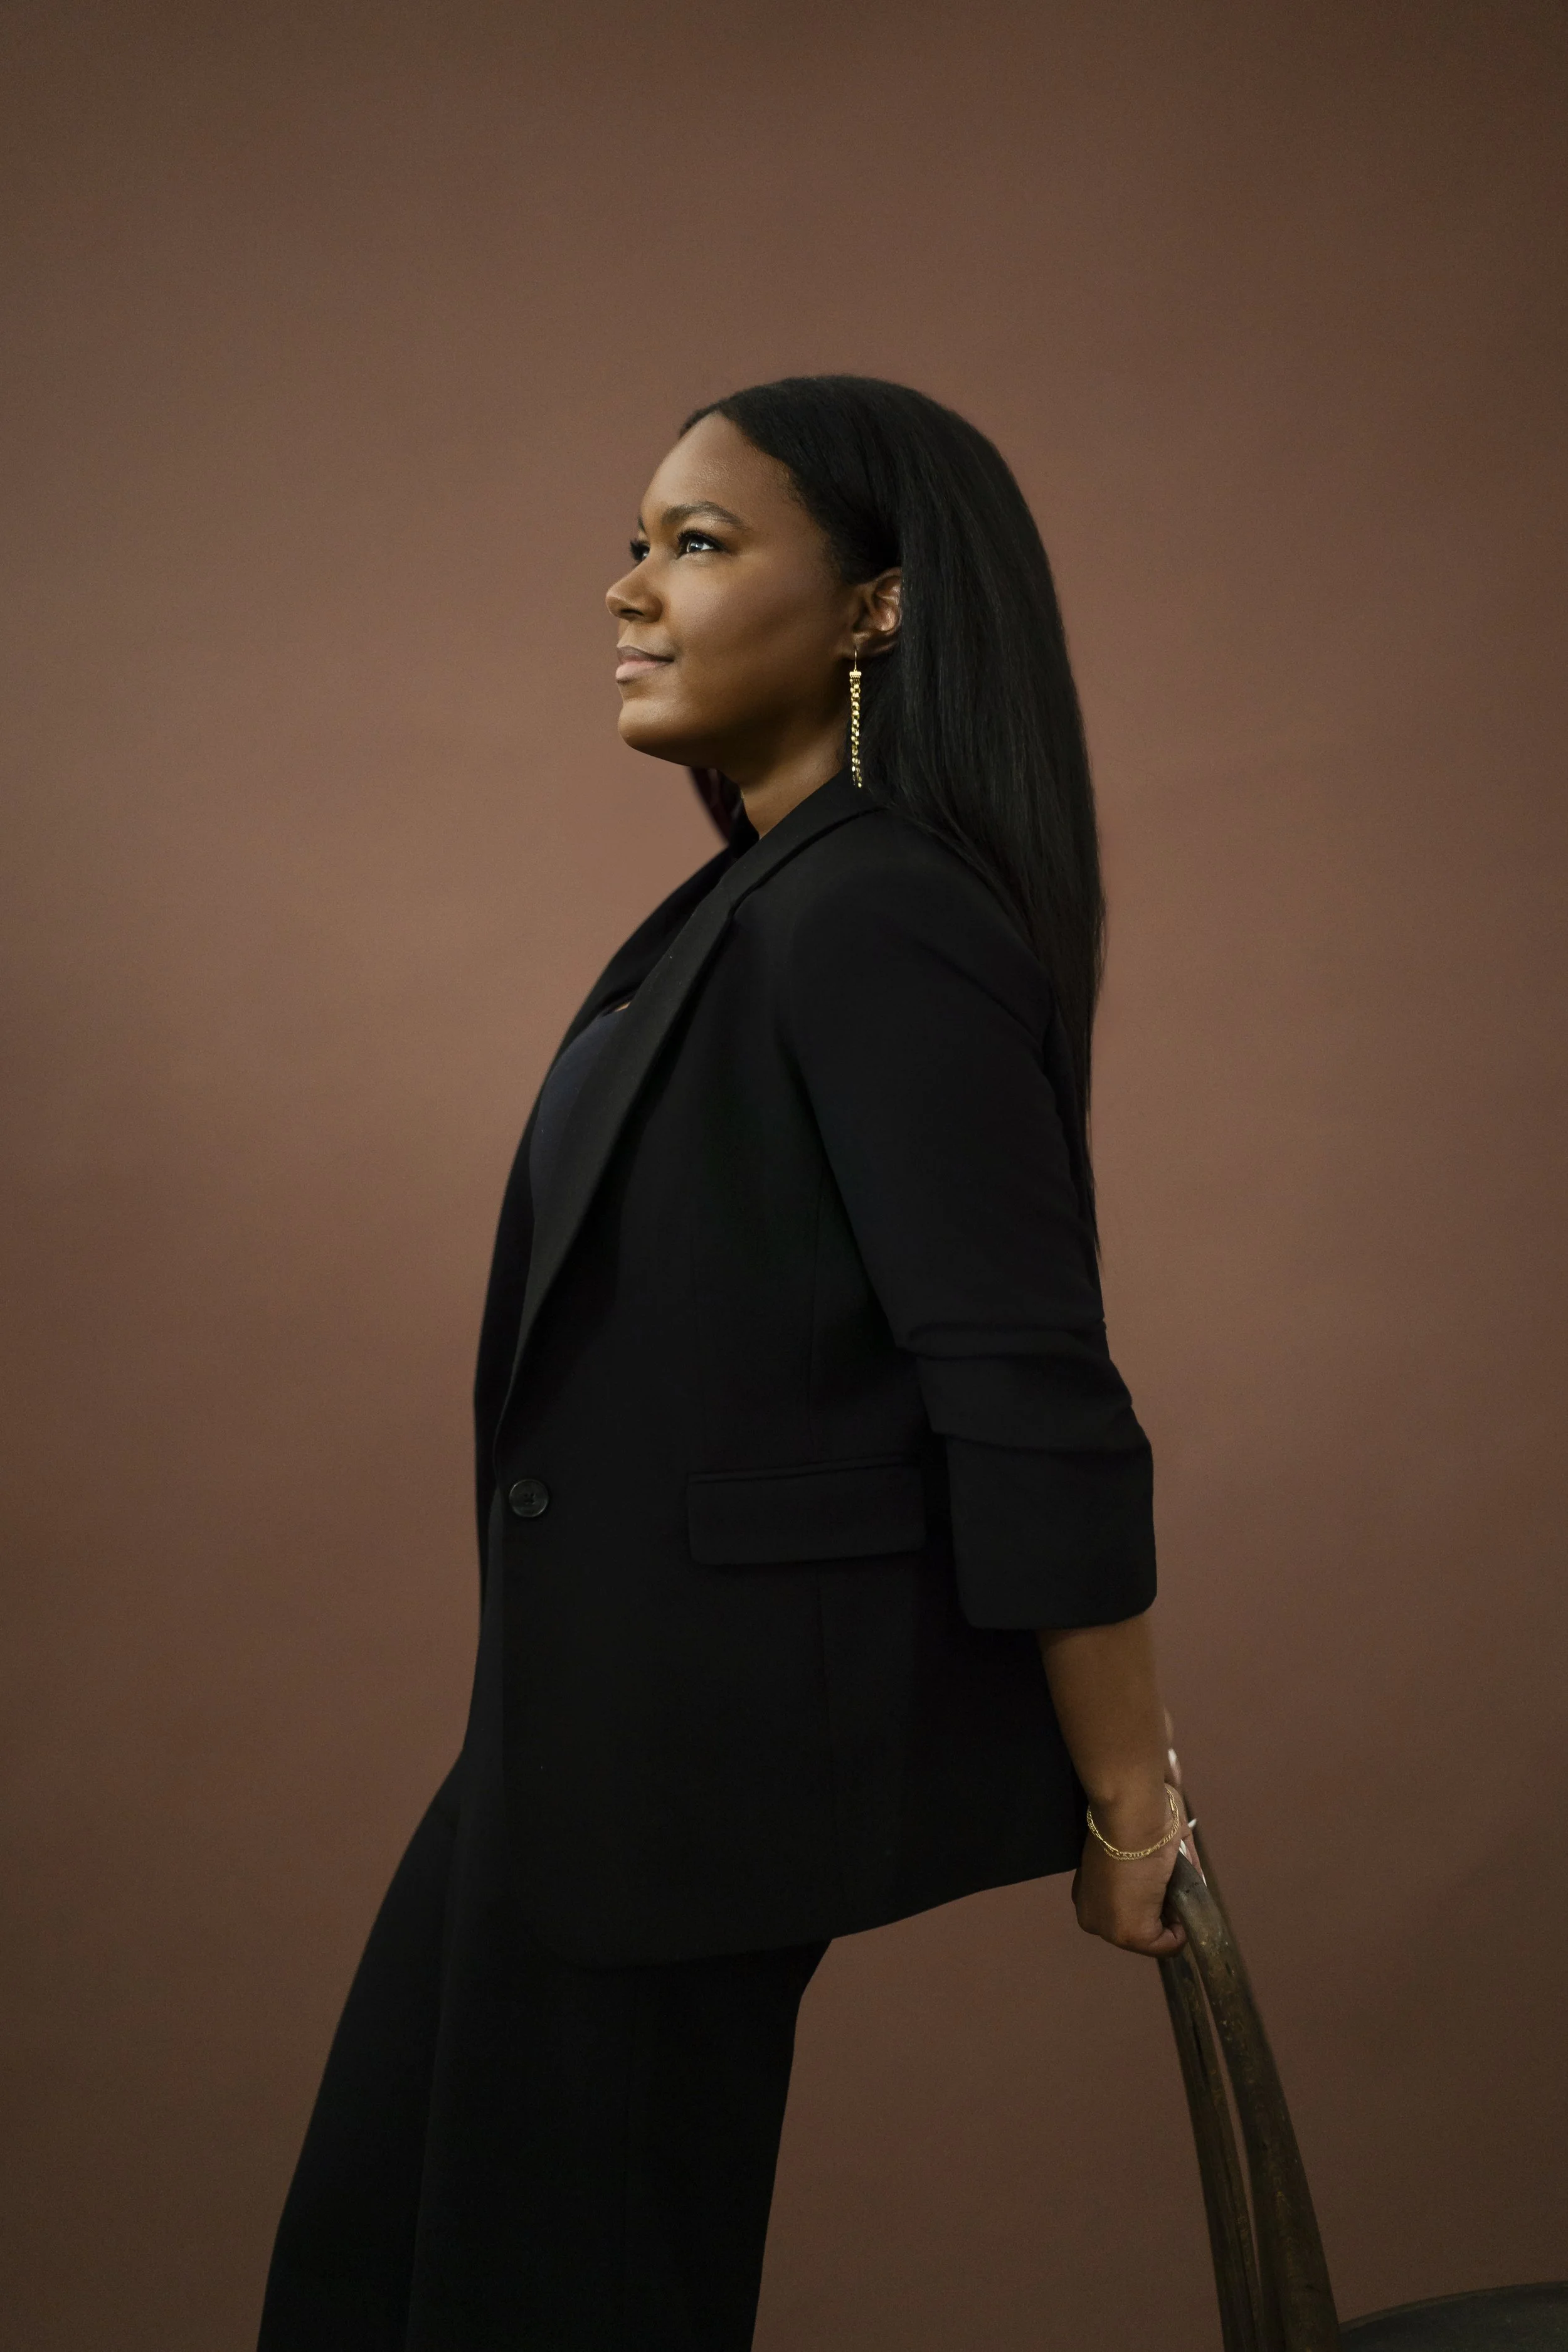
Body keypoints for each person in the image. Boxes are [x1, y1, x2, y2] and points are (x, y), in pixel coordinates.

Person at [257, 374, 1187, 2352]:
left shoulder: (880, 912)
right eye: (634, 543)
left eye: (696, 542)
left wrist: (1126, 1801)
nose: (625, 590)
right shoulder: (760, 900)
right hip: (578, 1748)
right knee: (387, 2269)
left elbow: (1025, 1383)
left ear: (875, 604)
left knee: (550, 2296)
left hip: (684, 1792)